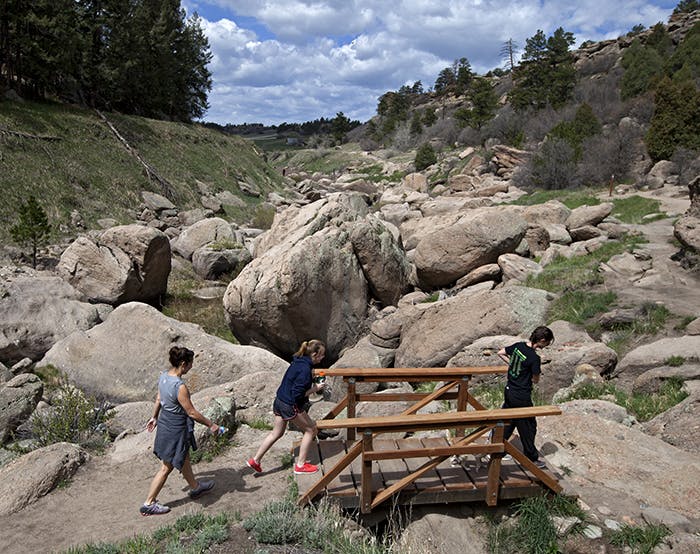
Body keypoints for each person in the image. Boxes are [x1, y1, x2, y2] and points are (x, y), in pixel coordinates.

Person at [140, 346, 221, 516]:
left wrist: (154, 417)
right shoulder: (179, 386)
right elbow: (191, 412)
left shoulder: (163, 376)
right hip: (175, 429)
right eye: (190, 364)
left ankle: (195, 487)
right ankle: (149, 503)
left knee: (183, 456)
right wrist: (211, 424)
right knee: (166, 467)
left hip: (164, 423)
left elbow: (159, 398)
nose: (192, 367)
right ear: (183, 364)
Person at [247, 339, 326, 475]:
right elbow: (298, 395)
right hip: (290, 404)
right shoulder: (305, 370)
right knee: (311, 430)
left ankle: (255, 460)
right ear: (314, 355)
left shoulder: (297, 361)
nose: (323, 358)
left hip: (279, 400)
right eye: (321, 355)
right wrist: (315, 388)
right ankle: (300, 465)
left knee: (276, 433)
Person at [496, 326, 554, 468]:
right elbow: (535, 379)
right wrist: (529, 373)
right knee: (528, 426)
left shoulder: (518, 346)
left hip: (509, 390)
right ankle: (531, 458)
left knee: (508, 421)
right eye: (547, 343)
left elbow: (501, 352)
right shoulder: (534, 358)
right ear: (541, 340)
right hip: (521, 394)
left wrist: (513, 365)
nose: (546, 346)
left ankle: (497, 448)